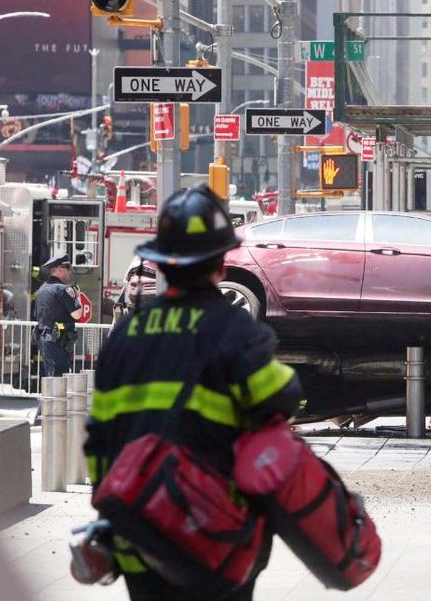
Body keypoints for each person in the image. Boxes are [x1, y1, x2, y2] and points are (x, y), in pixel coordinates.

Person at [84, 185, 304, 600]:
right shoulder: (236, 331)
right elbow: (284, 398)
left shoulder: (124, 339)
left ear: (163, 261)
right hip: (218, 539)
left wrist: (113, 516)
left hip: (139, 538)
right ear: (221, 263)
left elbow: (99, 440)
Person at [34, 253, 82, 377]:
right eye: (68, 269)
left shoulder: (42, 289)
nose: (70, 272)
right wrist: (78, 296)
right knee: (60, 378)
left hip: (45, 339)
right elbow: (77, 314)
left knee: (50, 376)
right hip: (59, 340)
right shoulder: (64, 289)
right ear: (60, 269)